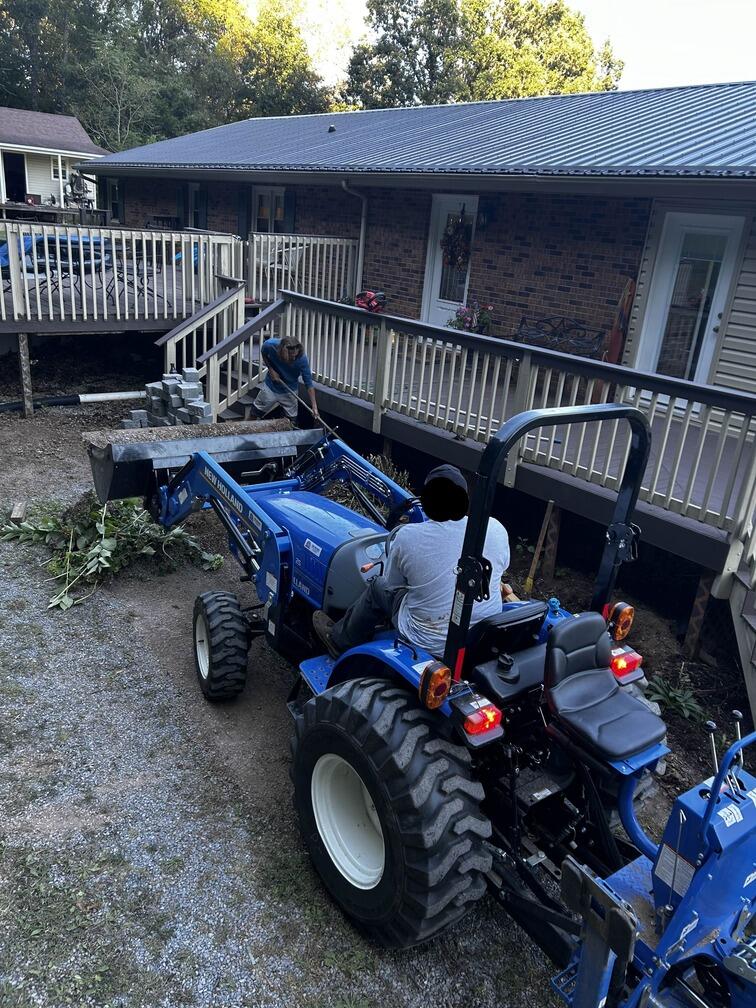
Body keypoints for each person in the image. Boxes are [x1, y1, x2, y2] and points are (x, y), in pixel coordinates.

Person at [312, 464, 510, 659]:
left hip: (429, 638)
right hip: (482, 635)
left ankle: (339, 640)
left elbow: (392, 584)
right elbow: (501, 567)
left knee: (378, 587)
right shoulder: (495, 528)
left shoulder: (408, 537)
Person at [248, 334, 320, 423]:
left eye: (295, 356)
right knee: (254, 413)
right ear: (283, 351)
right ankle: (243, 432)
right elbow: (264, 353)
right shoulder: (270, 345)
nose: (293, 358)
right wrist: (271, 369)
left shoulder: (302, 359)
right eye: (291, 356)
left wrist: (314, 407)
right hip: (271, 387)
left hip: (290, 390)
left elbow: (309, 384)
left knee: (292, 421)